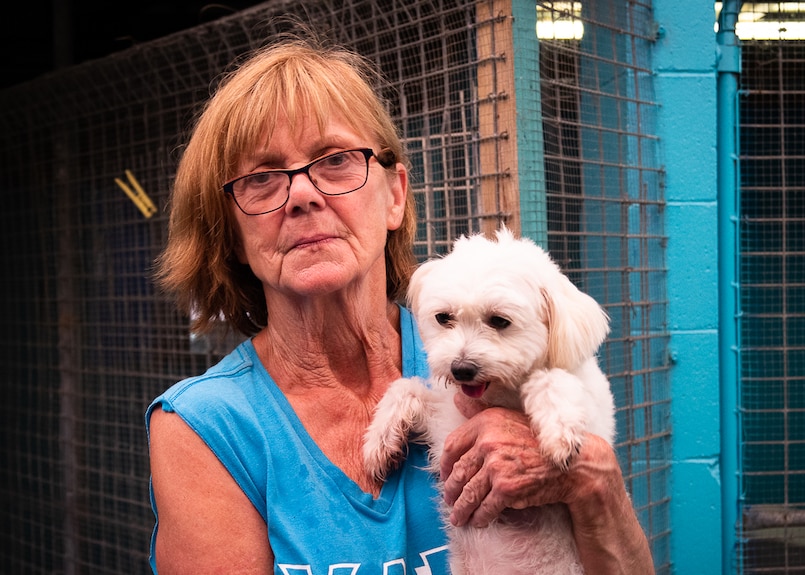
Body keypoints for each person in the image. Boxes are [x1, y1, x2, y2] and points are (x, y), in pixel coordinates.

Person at [147, 32, 655, 575]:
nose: (302, 196)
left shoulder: (495, 358)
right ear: (229, 230)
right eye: (262, 179)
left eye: (336, 159)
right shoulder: (207, 426)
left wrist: (589, 477)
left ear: (394, 195)